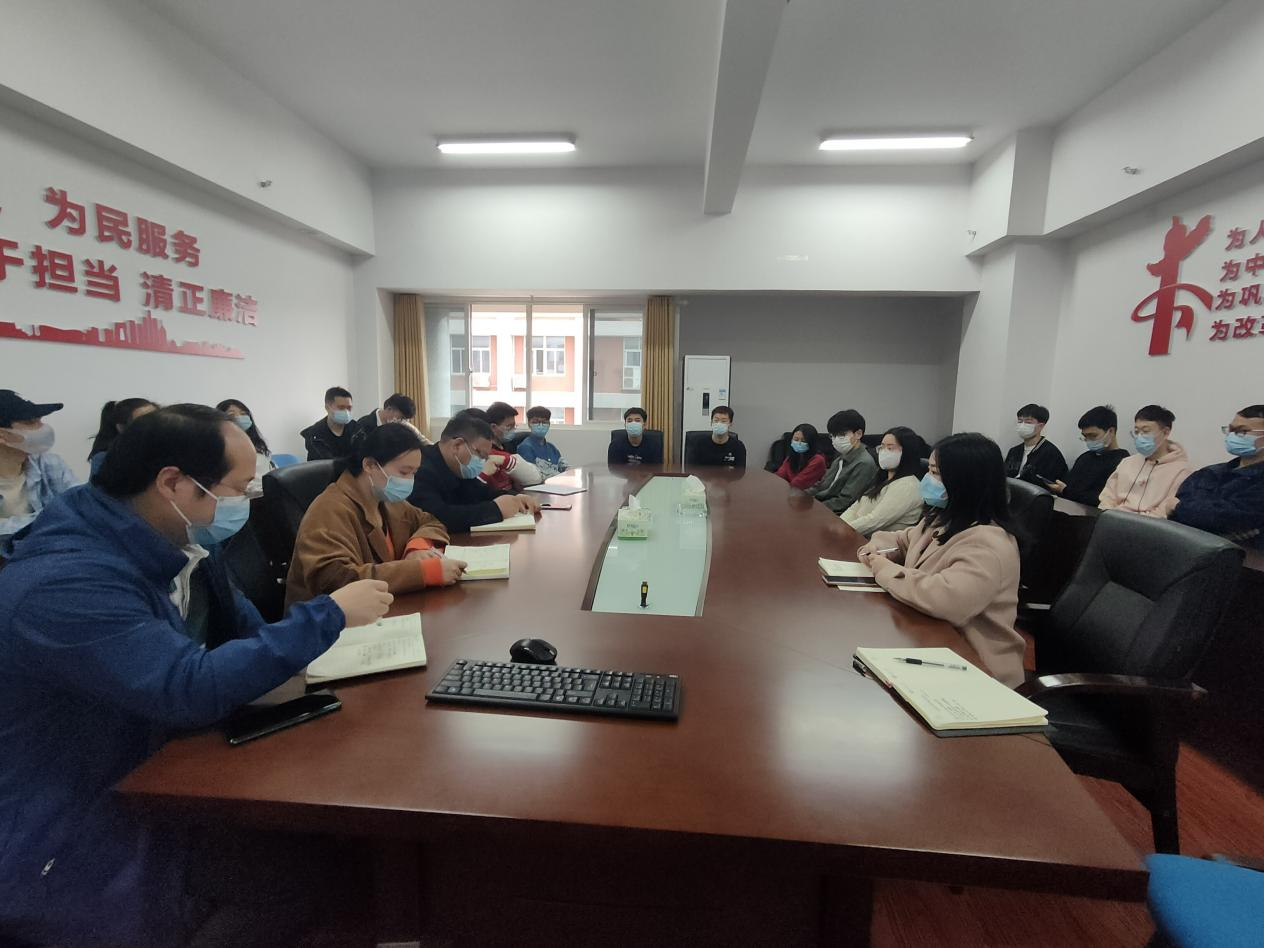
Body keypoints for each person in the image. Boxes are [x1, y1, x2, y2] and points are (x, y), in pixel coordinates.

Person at [0, 403, 394, 947]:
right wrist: (328, 616)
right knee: (314, 876)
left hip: (159, 773)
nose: (246, 503)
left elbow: (247, 635)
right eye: (237, 489)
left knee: (343, 849)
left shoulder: (181, 543)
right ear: (173, 484)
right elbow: (185, 687)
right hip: (71, 831)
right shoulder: (64, 585)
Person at [858, 433, 1025, 687]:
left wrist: (885, 569)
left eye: (935, 473)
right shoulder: (943, 518)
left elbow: (947, 600)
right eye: (929, 470)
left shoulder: (988, 542)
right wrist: (876, 548)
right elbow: (903, 540)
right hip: (932, 642)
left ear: (964, 481)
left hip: (977, 667)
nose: (927, 479)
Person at [286, 422, 465, 605]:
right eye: (404, 472)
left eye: (414, 473)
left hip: (384, 607)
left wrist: (417, 547)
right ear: (370, 465)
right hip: (332, 618)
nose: (409, 481)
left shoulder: (387, 499)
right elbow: (337, 580)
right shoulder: (329, 510)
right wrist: (423, 572)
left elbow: (430, 522)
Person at [408, 412, 538, 533]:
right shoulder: (419, 469)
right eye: (480, 455)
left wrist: (516, 497)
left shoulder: (457, 466)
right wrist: (495, 510)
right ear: (457, 445)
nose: (482, 462)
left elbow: (480, 492)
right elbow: (437, 517)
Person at [1172, 405, 1264, 549]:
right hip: (1187, 549)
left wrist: (1181, 509)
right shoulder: (1209, 472)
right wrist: (1184, 510)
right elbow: (1174, 509)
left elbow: (1230, 518)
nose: (1232, 436)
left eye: (1242, 431)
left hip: (1242, 559)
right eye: (1231, 430)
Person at [0, 390, 78, 559]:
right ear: (2, 435)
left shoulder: (50, 463)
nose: (42, 428)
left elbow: (79, 508)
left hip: (50, 556)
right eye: (30, 422)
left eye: (40, 420)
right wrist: (52, 519)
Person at [1100, 405, 1192, 517]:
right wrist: (1108, 516)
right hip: (1112, 520)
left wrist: (1134, 523)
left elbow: (1165, 510)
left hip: (1148, 525)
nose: (1140, 437)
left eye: (1146, 431)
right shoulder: (1127, 462)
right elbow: (1107, 496)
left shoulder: (1181, 471)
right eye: (1136, 432)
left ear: (1165, 432)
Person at [840, 427, 928, 537]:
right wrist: (839, 524)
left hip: (877, 543)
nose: (883, 452)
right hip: (856, 534)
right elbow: (855, 508)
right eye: (881, 447)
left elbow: (875, 521)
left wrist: (841, 530)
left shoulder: (908, 485)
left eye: (890, 448)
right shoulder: (882, 478)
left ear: (906, 452)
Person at [1049, 405, 1130, 507]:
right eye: (1085, 436)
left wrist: (1066, 491)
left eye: (1093, 435)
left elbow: (1103, 499)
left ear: (1111, 431)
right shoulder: (1085, 457)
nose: (1088, 440)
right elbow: (1069, 485)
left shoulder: (1123, 462)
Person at [805, 409, 877, 512]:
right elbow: (821, 486)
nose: (836, 440)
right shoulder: (840, 459)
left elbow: (844, 501)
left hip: (837, 513)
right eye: (832, 436)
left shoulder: (864, 463)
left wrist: (813, 506)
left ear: (858, 434)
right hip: (822, 506)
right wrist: (802, 496)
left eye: (842, 435)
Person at [216, 398, 275, 493]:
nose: (239, 417)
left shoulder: (258, 444)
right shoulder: (220, 448)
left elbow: (269, 469)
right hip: (247, 495)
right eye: (231, 414)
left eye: (243, 414)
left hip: (267, 490)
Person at [88, 396, 157, 475]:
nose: (154, 424)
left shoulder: (163, 447)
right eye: (144, 421)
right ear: (121, 428)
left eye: (156, 417)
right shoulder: (104, 459)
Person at [1003, 403, 1067, 487]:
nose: (1022, 426)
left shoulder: (1051, 453)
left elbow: (1050, 484)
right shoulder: (1014, 451)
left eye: (1028, 422)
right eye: (1020, 421)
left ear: (1041, 426)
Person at [300, 386, 362, 461]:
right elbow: (327, 464)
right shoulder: (315, 435)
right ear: (327, 407)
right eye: (341, 407)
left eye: (349, 408)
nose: (346, 412)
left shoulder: (357, 429)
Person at [517, 405, 568, 478]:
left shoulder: (552, 447)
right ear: (529, 424)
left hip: (556, 482)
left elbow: (563, 468)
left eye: (544, 422)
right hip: (539, 484)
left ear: (549, 424)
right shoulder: (525, 447)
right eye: (535, 422)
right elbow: (532, 475)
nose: (540, 425)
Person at [775, 423, 826, 489]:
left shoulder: (818, 460)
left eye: (803, 441)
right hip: (791, 491)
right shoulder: (791, 456)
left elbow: (798, 484)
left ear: (811, 443)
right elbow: (779, 476)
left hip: (807, 493)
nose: (799, 443)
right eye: (796, 440)